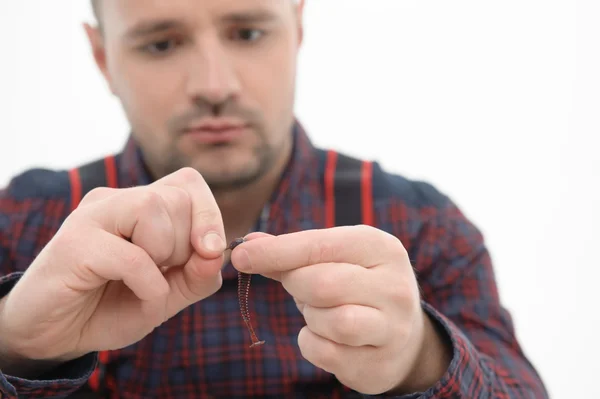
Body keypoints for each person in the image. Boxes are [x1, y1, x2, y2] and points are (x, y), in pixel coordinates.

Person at [0, 0, 549, 398]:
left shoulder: (423, 227)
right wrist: (15, 343)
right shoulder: (20, 226)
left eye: (247, 33)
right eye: (161, 43)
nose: (214, 84)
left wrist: (420, 359)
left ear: (299, 27)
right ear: (102, 59)